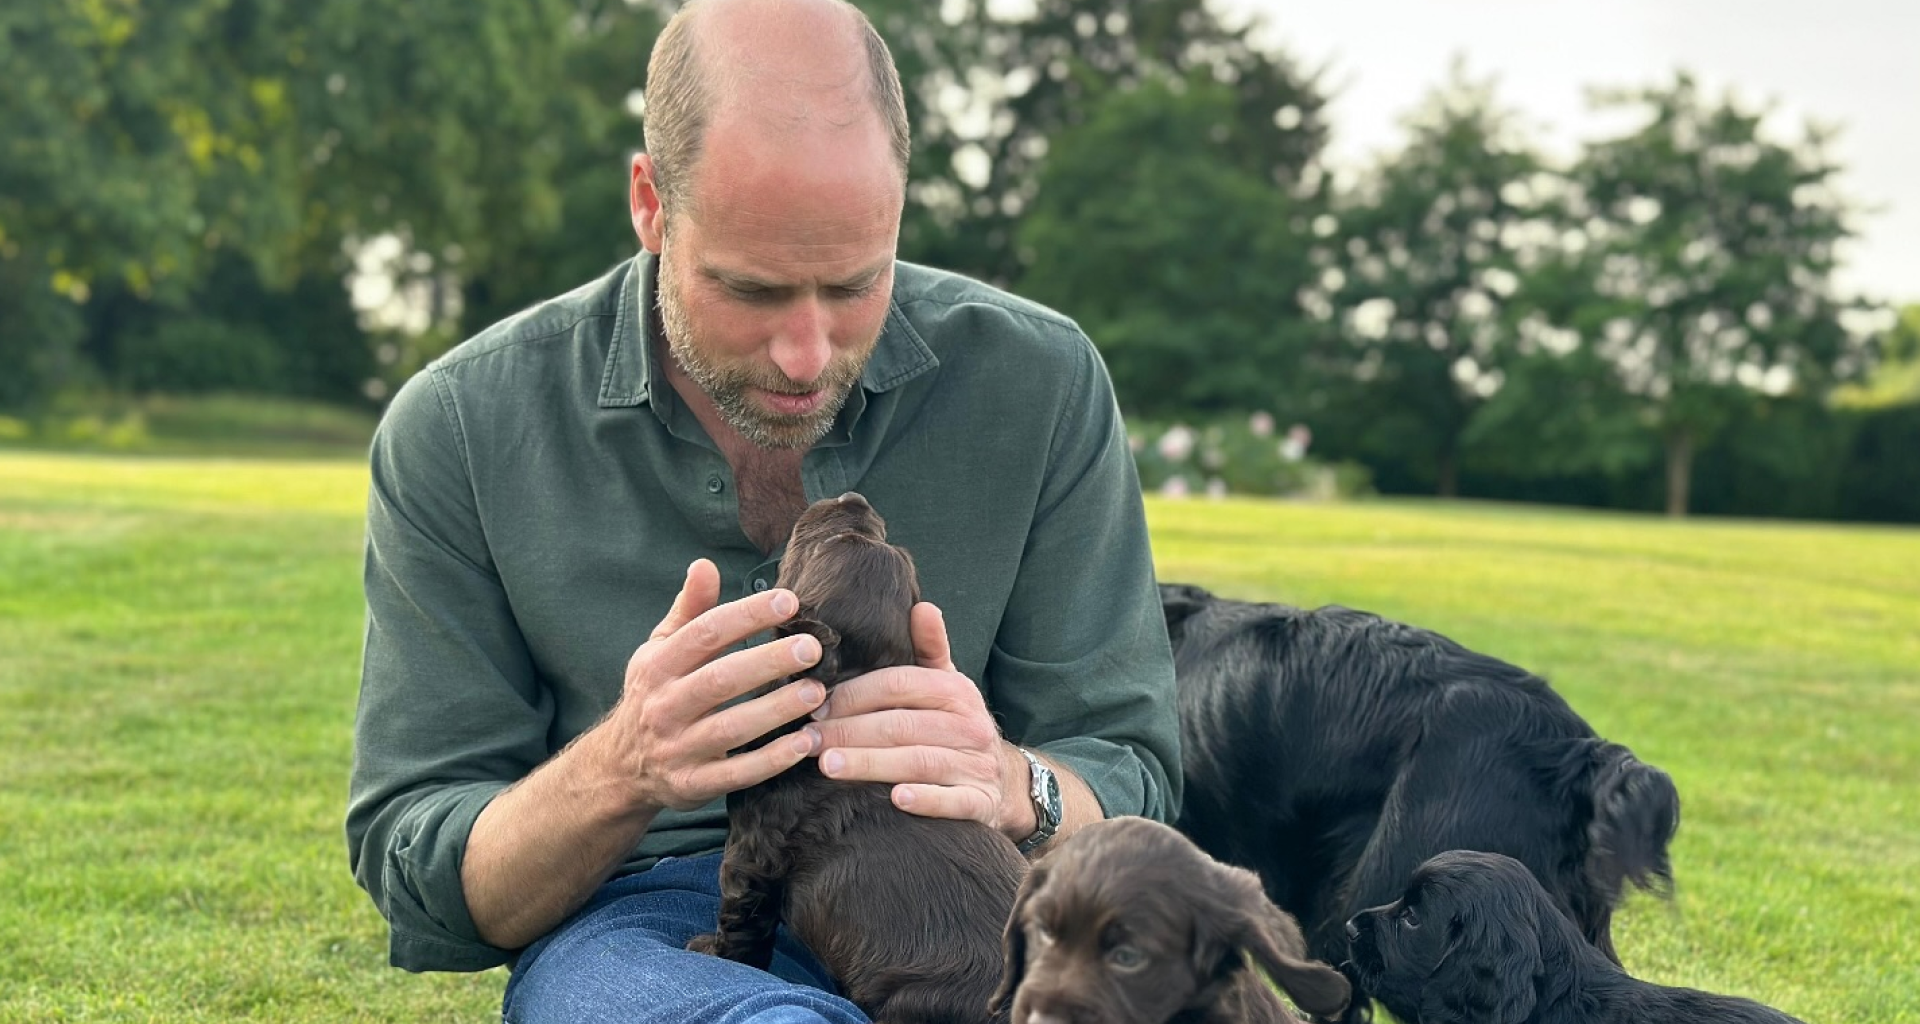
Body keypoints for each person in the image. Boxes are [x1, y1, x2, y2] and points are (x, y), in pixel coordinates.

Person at [344, 0, 1180, 1020]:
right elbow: (418, 860)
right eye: (752, 289)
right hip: (650, 921)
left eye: (855, 283)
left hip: (972, 911)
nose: (807, 354)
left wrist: (1017, 783)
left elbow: (1131, 767)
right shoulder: (463, 427)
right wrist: (624, 765)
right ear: (651, 204)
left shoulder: (1038, 381)